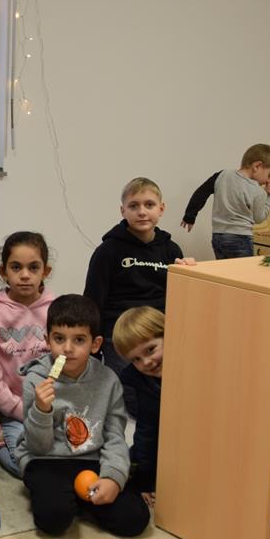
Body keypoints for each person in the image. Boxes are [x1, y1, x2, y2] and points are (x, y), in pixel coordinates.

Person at [14, 295, 150, 538]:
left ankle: (82, 499)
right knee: (53, 519)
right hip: (47, 459)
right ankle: (70, 499)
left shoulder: (108, 380)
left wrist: (113, 478)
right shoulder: (36, 379)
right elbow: (38, 447)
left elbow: (114, 436)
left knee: (134, 518)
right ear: (47, 341)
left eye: (79, 340)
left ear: (95, 344)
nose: (67, 348)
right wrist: (42, 411)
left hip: (91, 459)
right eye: (59, 339)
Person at [83, 177, 192, 415]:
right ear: (123, 211)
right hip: (120, 332)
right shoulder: (107, 251)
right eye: (134, 206)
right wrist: (94, 342)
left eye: (149, 205)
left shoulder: (171, 250)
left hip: (159, 329)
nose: (142, 212)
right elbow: (93, 300)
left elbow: (180, 298)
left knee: (180, 384)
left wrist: (191, 274)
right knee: (135, 397)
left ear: (161, 209)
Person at [0, 231, 55, 477]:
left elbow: (66, 362)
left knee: (67, 454)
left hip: (53, 406)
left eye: (33, 267)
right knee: (26, 467)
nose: (24, 275)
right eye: (16, 267)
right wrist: (18, 409)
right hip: (12, 410)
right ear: (3, 271)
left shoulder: (57, 308)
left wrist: (53, 406)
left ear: (46, 271)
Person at [180, 143, 270, 259]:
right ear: (257, 166)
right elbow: (259, 218)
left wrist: (190, 216)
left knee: (224, 272)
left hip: (218, 237)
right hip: (241, 238)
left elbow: (201, 192)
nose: (269, 180)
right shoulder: (257, 191)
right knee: (241, 275)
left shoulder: (222, 175)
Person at [112, 306, 165, 506]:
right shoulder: (143, 382)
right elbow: (147, 432)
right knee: (134, 456)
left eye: (151, 350)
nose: (147, 362)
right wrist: (144, 482)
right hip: (160, 447)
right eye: (136, 359)